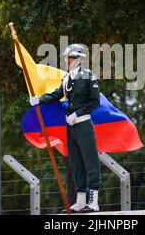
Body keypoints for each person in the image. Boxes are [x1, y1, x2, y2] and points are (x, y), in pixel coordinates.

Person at [30, 44, 101, 213]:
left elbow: (94, 102)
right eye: (66, 58)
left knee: (90, 162)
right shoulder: (67, 79)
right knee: (76, 163)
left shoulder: (89, 76)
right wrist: (39, 99)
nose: (67, 61)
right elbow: (56, 95)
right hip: (71, 127)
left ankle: (93, 202)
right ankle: (80, 200)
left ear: (78, 59)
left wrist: (77, 114)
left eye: (69, 58)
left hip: (83, 123)